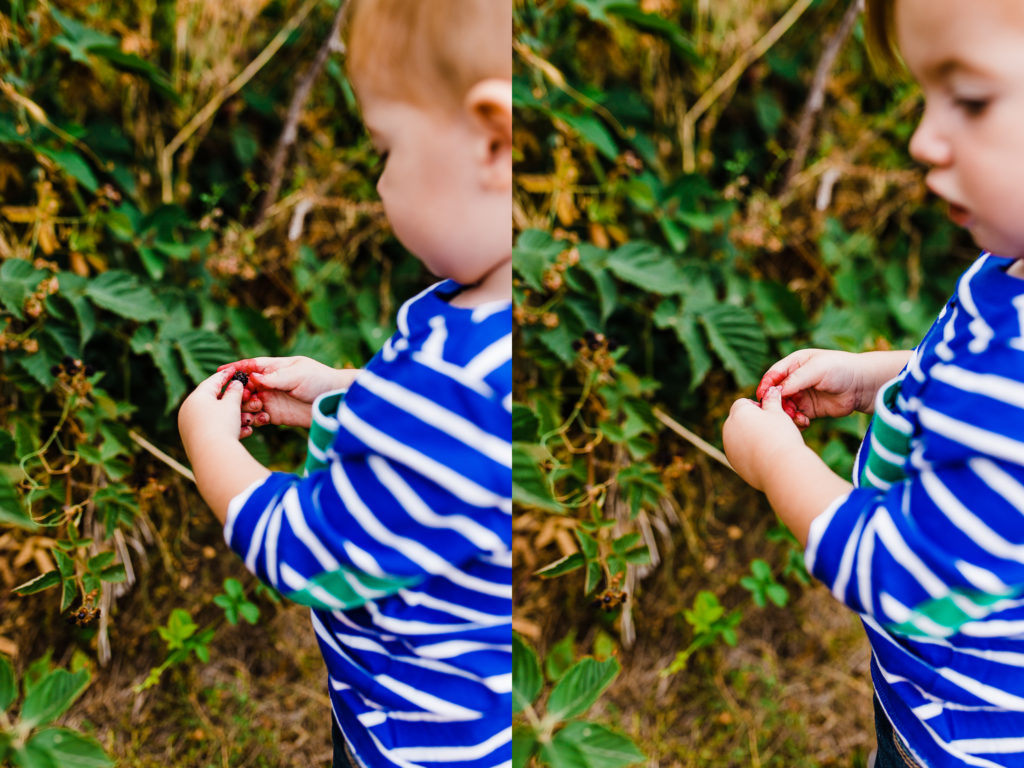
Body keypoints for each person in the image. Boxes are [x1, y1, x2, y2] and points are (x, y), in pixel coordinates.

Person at [177, 1, 512, 765]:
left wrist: (211, 449)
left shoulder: (448, 381)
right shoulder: (495, 332)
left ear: (492, 143)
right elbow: (452, 441)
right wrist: (342, 392)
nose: (383, 183)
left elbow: (314, 549)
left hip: (419, 737)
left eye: (389, 148)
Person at [723, 0, 1024, 765]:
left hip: (964, 738)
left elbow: (898, 573)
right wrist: (870, 378)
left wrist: (774, 463)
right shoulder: (1008, 273)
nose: (923, 137)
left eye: (973, 100)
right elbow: (963, 379)